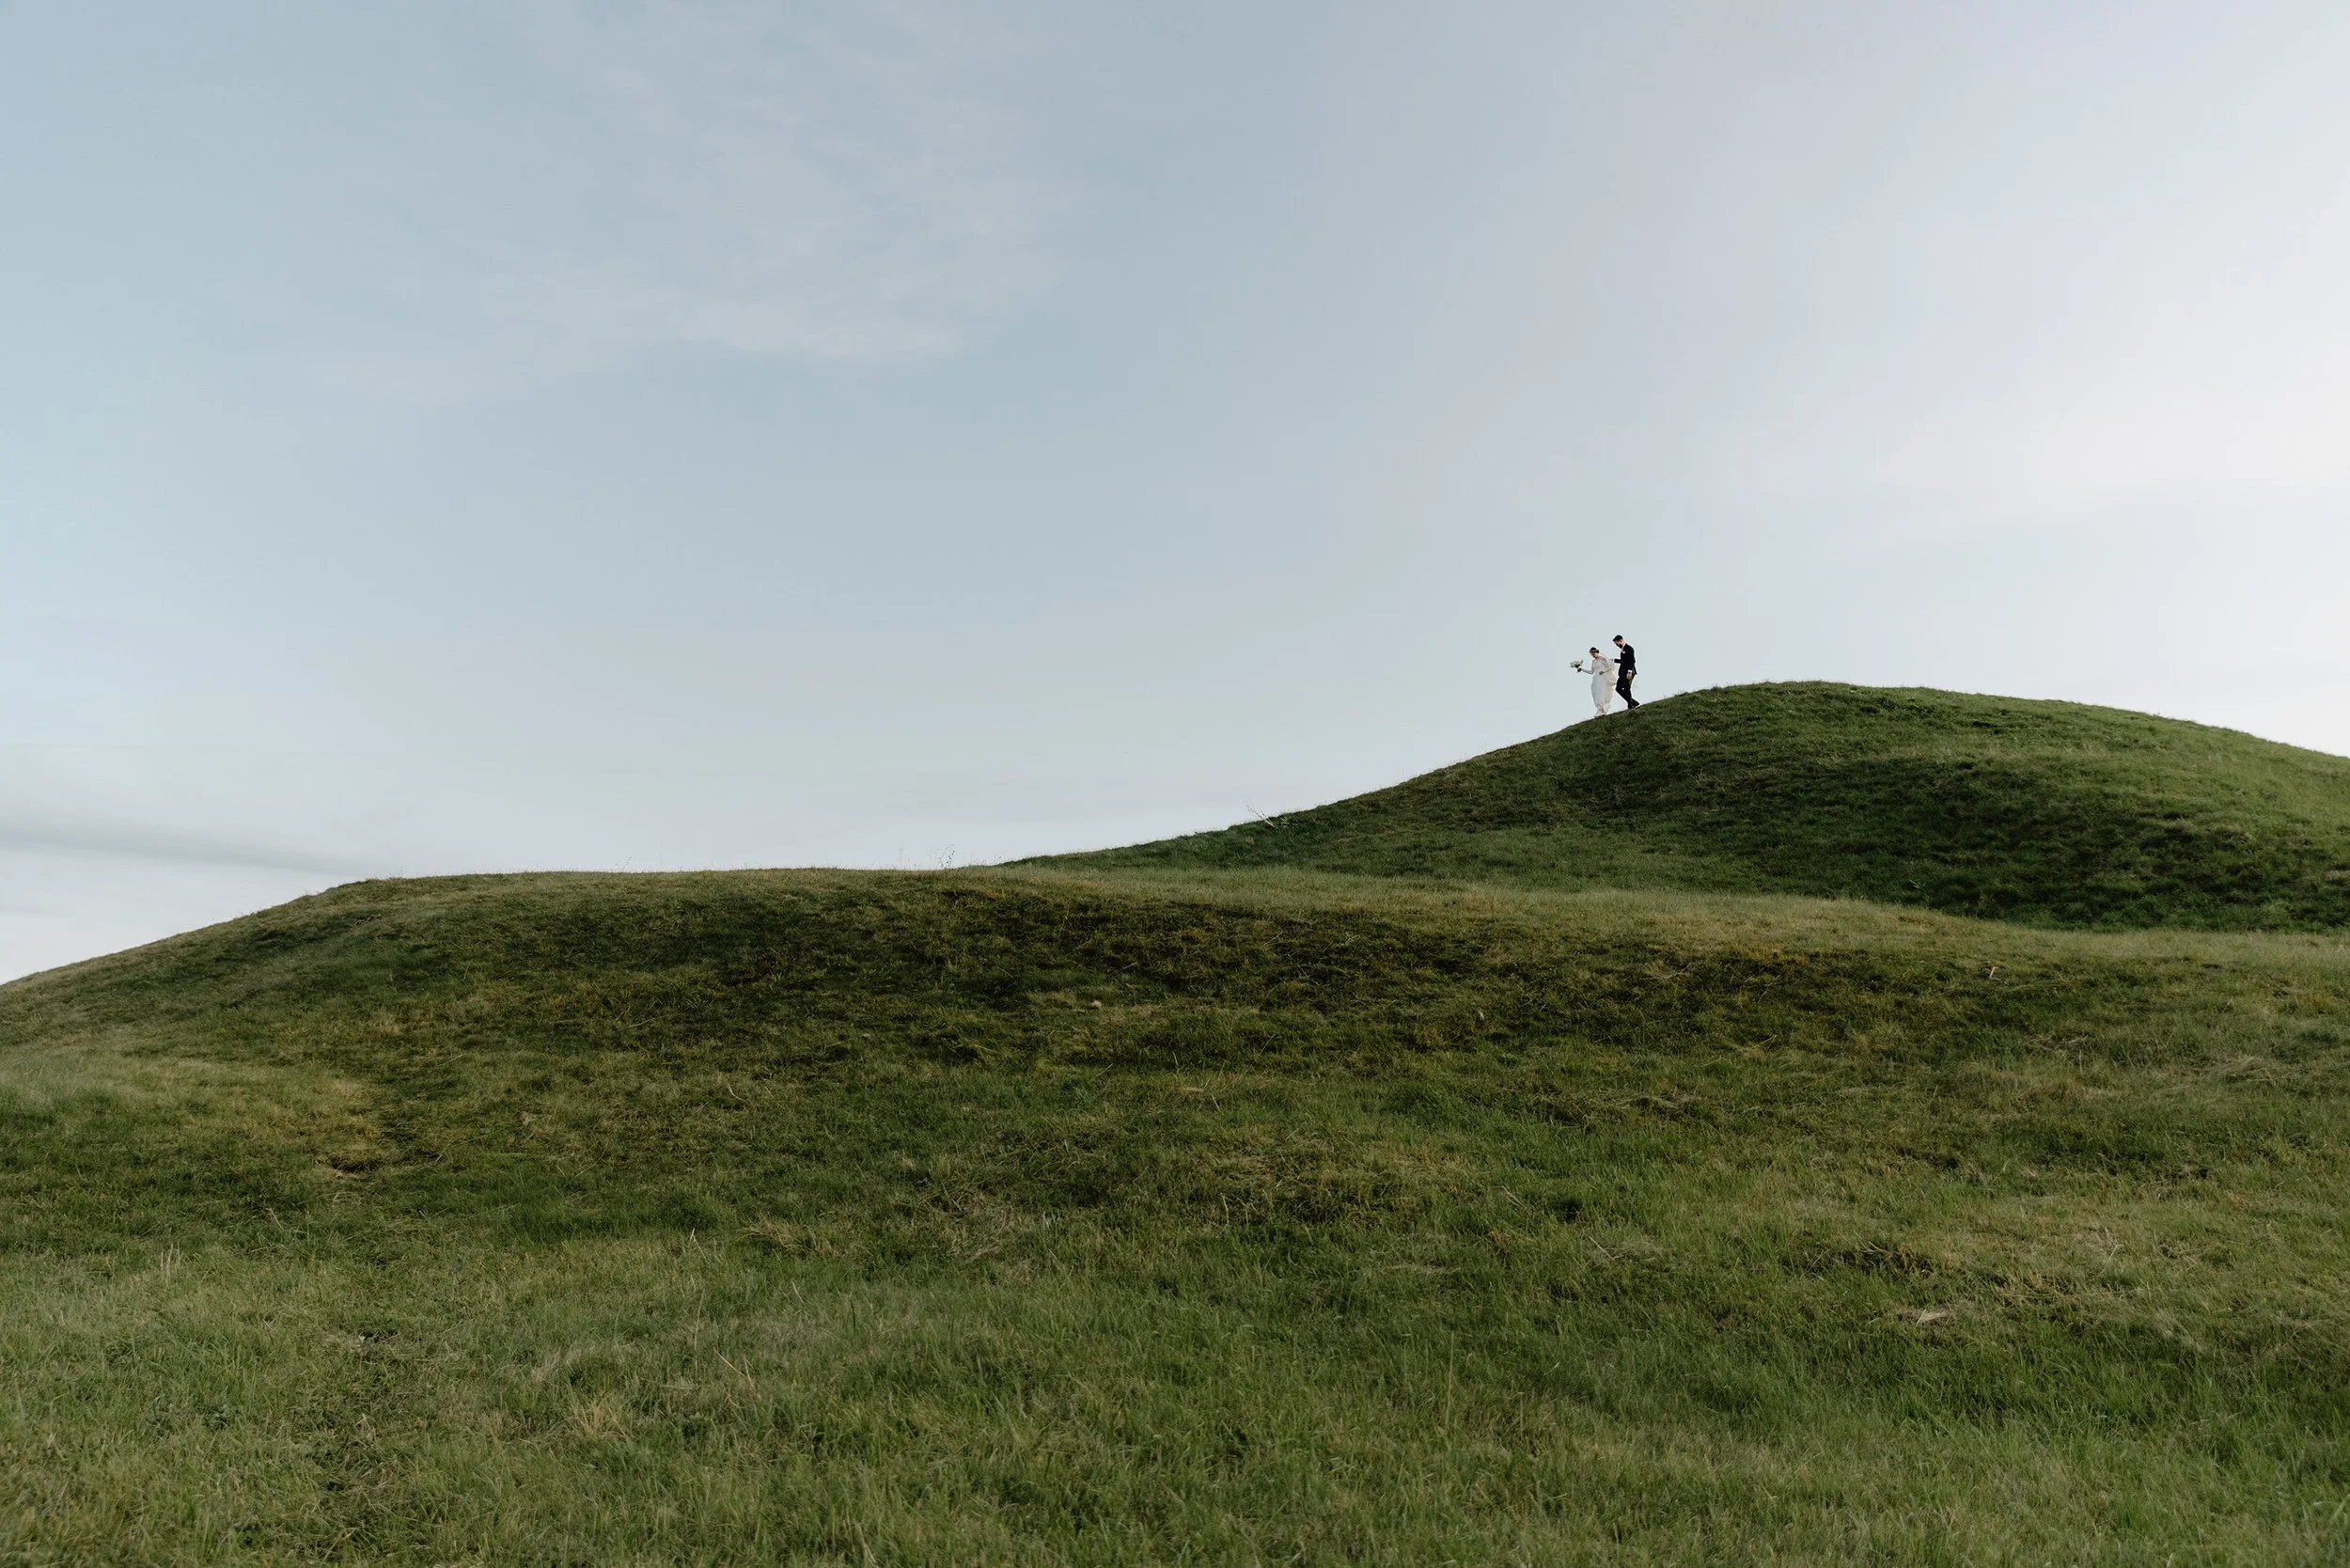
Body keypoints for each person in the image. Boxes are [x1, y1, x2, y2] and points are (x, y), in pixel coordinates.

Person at [1582, 645, 1616, 716]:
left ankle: (1602, 709)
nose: (1593, 656)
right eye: (1591, 655)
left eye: (1593, 654)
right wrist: (1582, 670)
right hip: (1596, 679)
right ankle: (1600, 709)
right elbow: (1591, 672)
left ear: (1596, 652)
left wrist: (1603, 671)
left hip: (1603, 678)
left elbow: (1611, 667)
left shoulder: (1603, 659)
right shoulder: (1593, 661)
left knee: (1602, 693)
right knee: (1596, 694)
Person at [1612, 635, 1639, 709]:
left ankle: (1630, 705)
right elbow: (1624, 661)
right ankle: (1633, 702)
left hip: (1628, 672)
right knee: (1618, 688)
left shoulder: (1629, 648)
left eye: (1617, 643)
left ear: (1621, 640)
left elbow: (1632, 661)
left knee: (1626, 688)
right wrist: (1615, 660)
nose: (1617, 645)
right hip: (1622, 673)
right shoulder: (1622, 650)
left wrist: (1629, 671)